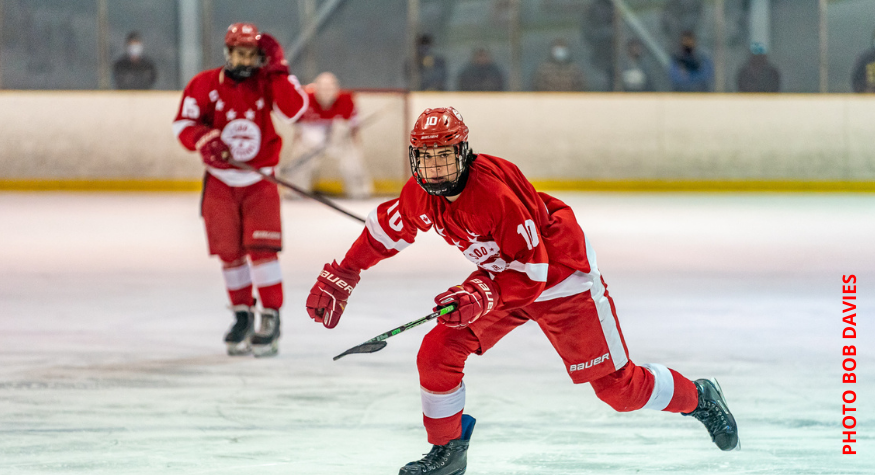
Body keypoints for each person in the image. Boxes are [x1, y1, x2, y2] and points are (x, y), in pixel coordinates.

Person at [305, 107, 740, 474]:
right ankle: (449, 450)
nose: (435, 169)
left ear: (463, 153)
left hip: (560, 280)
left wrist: (480, 296)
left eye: (444, 157)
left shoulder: (493, 195)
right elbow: (386, 231)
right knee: (438, 351)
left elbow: (533, 275)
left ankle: (699, 397)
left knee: (619, 391)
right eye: (426, 158)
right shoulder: (420, 192)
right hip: (504, 278)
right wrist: (344, 274)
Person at [172, 23, 308, 357]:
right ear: (228, 51)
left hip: (259, 181)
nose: (245, 59)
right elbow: (183, 124)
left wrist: (279, 69)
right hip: (220, 182)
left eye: (251, 54)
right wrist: (204, 138)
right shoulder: (203, 84)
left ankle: (271, 316)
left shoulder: (267, 81)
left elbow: (296, 110)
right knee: (230, 255)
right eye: (239, 52)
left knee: (262, 251)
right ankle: (242, 316)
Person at [281, 72, 372, 199]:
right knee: (300, 161)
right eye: (323, 88)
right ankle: (295, 192)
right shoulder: (305, 100)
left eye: (330, 88)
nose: (326, 92)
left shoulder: (347, 101)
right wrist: (298, 151)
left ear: (336, 89)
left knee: (352, 160)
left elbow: (354, 129)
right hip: (311, 139)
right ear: (315, 88)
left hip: (337, 137)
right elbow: (299, 130)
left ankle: (360, 192)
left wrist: (355, 148)